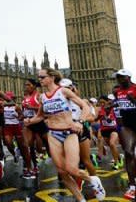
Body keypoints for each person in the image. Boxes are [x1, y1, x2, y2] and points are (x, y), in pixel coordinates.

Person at [25, 68, 105, 202]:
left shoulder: (64, 91)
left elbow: (84, 107)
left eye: (42, 77)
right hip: (53, 134)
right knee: (62, 172)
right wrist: (29, 121)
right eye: (39, 77)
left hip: (69, 132)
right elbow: (40, 116)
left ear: (51, 77)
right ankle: (81, 199)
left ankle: (93, 180)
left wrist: (80, 121)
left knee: (72, 169)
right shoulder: (42, 97)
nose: (39, 79)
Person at [112, 69, 136, 200]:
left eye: (121, 77)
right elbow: (118, 109)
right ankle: (132, 186)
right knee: (129, 152)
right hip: (127, 126)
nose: (119, 79)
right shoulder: (117, 92)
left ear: (128, 77)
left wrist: (133, 100)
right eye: (117, 78)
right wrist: (119, 126)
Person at [2, 92, 33, 179]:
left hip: (16, 127)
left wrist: (18, 117)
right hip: (7, 127)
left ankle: (28, 167)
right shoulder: (3, 107)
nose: (9, 100)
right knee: (8, 143)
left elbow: (22, 115)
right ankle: (14, 153)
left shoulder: (16, 107)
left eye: (11, 98)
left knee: (23, 147)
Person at [21, 78, 48, 176]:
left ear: (34, 86)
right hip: (29, 123)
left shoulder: (39, 96)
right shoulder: (25, 97)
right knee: (27, 145)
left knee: (41, 147)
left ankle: (60, 164)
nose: (26, 87)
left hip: (39, 123)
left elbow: (44, 110)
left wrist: (32, 108)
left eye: (28, 85)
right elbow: (24, 111)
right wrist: (21, 116)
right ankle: (30, 168)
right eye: (25, 85)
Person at [97, 94, 121, 170]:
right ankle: (119, 157)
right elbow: (95, 118)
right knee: (111, 147)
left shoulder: (112, 108)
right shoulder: (99, 110)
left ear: (107, 102)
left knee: (112, 144)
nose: (102, 104)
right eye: (100, 102)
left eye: (103, 102)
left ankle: (116, 163)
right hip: (104, 131)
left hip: (113, 129)